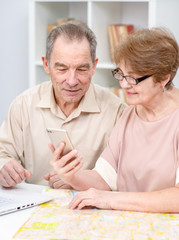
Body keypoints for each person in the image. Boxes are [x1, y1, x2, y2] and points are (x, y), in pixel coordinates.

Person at [51, 27, 179, 213]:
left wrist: (111, 200)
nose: (124, 84)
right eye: (121, 73)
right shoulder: (129, 114)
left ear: (163, 78)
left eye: (133, 78)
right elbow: (103, 178)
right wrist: (70, 176)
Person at [0, 22, 126, 188]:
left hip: (92, 210)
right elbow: (3, 152)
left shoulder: (117, 111)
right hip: (33, 209)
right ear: (46, 64)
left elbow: (126, 174)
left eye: (81, 69)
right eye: (62, 69)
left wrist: (80, 180)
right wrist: (4, 165)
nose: (72, 81)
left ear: (94, 66)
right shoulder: (23, 104)